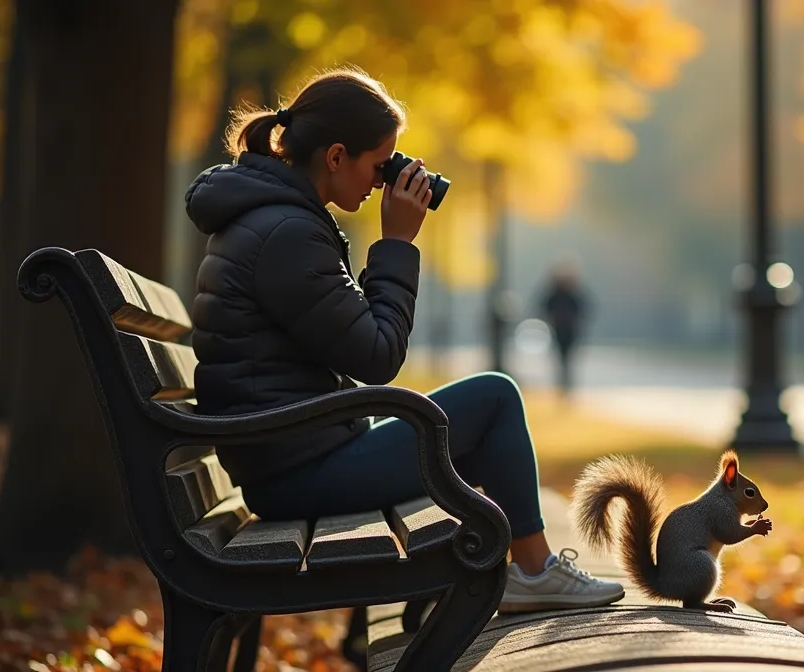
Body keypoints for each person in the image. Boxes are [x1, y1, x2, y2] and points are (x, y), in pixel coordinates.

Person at [184, 68, 624, 639]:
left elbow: (351, 348)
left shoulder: (272, 219)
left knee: (479, 415)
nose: (380, 182)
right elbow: (376, 356)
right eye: (378, 165)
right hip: (299, 474)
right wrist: (395, 245)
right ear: (336, 156)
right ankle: (534, 570)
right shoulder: (286, 233)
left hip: (290, 457)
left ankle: (508, 574)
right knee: (494, 397)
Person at [540, 259, 589, 399]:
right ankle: (563, 387)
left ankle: (566, 387)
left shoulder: (573, 294)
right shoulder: (554, 294)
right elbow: (545, 308)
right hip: (557, 331)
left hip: (570, 331)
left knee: (567, 360)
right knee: (561, 360)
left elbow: (582, 310)